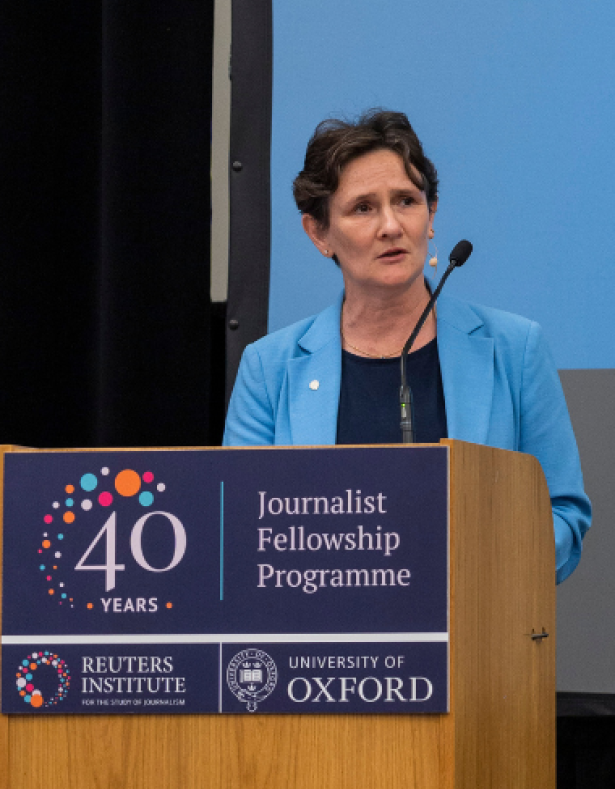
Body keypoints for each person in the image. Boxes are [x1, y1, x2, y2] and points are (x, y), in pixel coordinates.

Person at [224, 109, 591, 583]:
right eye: (363, 208)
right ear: (319, 233)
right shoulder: (270, 368)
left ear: (431, 214)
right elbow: (240, 528)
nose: (391, 226)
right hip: (322, 645)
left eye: (406, 201)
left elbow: (563, 513)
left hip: (475, 635)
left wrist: (488, 564)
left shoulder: (514, 349)